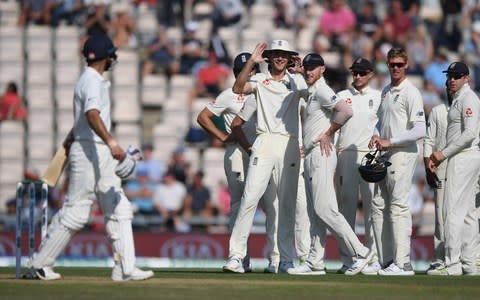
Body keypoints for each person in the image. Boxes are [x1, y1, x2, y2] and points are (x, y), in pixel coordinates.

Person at [28, 34, 153, 281]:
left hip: (94, 149)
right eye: (112, 55)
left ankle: (125, 268)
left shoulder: (90, 80)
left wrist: (71, 138)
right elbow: (92, 115)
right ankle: (40, 264)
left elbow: (84, 120)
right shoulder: (92, 81)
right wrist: (112, 143)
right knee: (77, 211)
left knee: (118, 205)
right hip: (90, 151)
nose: (114, 59)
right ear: (105, 57)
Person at [222, 40, 306, 274]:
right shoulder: (259, 80)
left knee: (286, 204)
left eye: (283, 55)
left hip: (288, 143)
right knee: (249, 198)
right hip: (264, 140)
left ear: (289, 58)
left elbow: (314, 101)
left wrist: (302, 73)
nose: (279, 58)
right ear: (268, 58)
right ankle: (236, 257)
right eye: (275, 54)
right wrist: (251, 62)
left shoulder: (296, 82)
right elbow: (238, 89)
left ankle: (286, 259)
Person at [286, 53, 374, 276]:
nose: (308, 71)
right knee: (315, 211)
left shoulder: (324, 90)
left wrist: (328, 133)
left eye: (313, 68)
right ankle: (315, 261)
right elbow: (304, 89)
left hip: (322, 155)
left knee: (325, 209)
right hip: (312, 155)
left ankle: (361, 252)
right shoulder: (313, 90)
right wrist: (298, 72)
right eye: (307, 67)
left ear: (322, 69)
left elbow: (346, 110)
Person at [197, 52, 279, 272]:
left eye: (253, 70)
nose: (250, 73)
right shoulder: (227, 95)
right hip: (237, 153)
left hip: (264, 150)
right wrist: (223, 137)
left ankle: (276, 259)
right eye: (245, 70)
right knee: (239, 205)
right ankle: (240, 258)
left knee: (272, 205)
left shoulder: (263, 91)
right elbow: (202, 117)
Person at [368, 47, 426, 275]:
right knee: (379, 205)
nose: (395, 68)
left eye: (399, 65)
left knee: (399, 207)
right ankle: (386, 260)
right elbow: (381, 123)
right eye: (392, 64)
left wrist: (390, 141)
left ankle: (403, 263)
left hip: (402, 154)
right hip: (385, 154)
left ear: (407, 65)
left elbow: (420, 129)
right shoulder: (385, 91)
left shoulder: (411, 92)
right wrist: (376, 135)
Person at [428, 62, 480, 275]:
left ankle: (451, 264)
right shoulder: (461, 99)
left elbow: (469, 135)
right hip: (465, 158)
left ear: (466, 78)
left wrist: (442, 154)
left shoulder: (468, 99)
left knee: (453, 211)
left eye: (457, 76)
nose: (452, 80)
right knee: (467, 212)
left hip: (462, 158)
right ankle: (469, 262)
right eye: (450, 76)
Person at [334, 57, 382, 274]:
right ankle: (349, 258)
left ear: (370, 74)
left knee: (372, 208)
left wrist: (378, 137)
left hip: (369, 156)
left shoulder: (378, 97)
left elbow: (381, 126)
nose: (358, 76)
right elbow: (334, 127)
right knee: (346, 207)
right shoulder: (342, 96)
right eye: (355, 72)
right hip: (346, 154)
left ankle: (372, 258)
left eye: (362, 72)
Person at [423, 80, 450, 274]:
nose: (452, 85)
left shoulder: (473, 107)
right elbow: (429, 139)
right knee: (441, 216)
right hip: (441, 169)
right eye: (449, 83)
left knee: (469, 215)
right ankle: (440, 259)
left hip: (466, 169)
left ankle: (471, 257)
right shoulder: (438, 111)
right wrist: (427, 166)